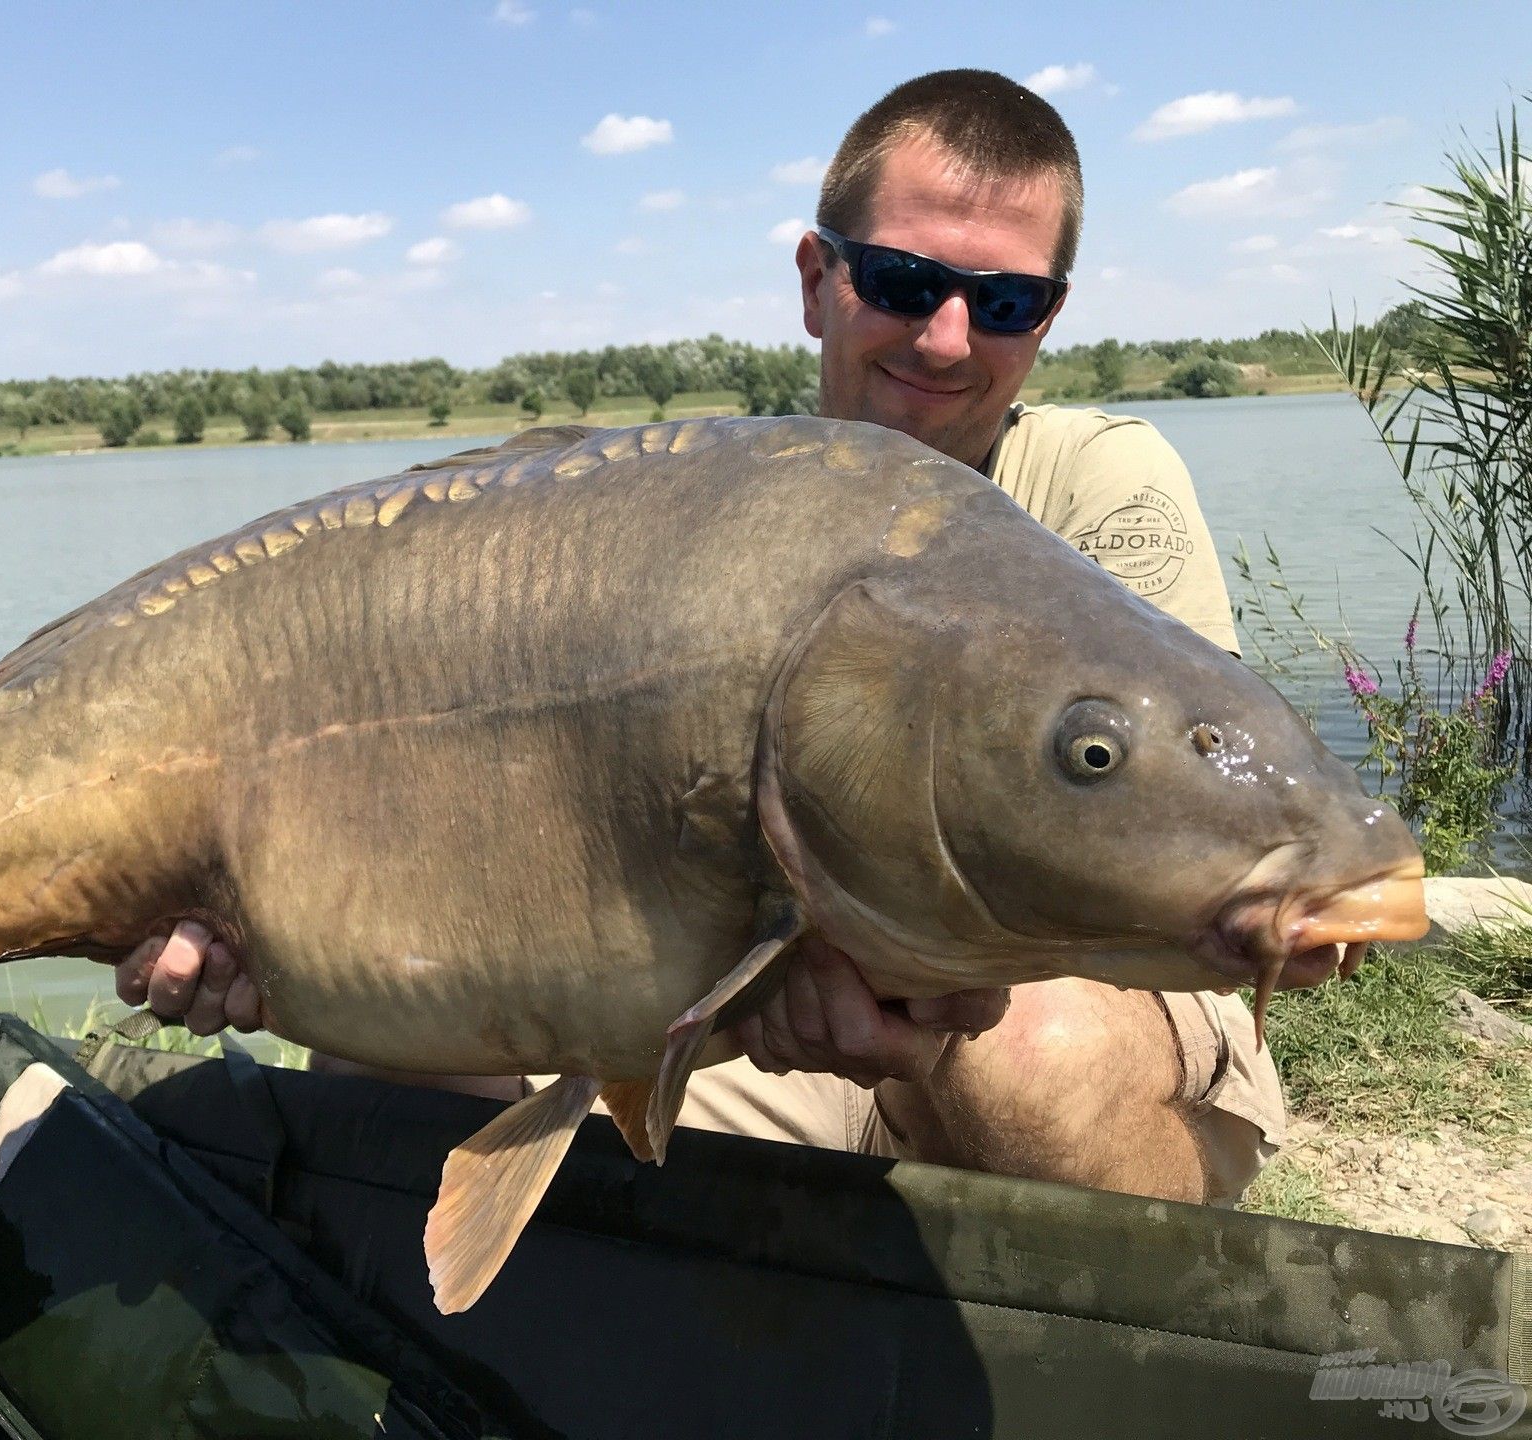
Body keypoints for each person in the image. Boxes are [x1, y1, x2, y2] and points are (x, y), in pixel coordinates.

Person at [114, 69, 1287, 1208]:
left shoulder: (1096, 479)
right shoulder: (685, 515)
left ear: (1050, 318)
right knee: (396, 1044)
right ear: (818, 278)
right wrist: (283, 929)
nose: (945, 336)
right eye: (899, 278)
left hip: (1034, 1001)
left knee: (1041, 1056)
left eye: (1005, 300)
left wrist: (914, 996)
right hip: (739, 1013)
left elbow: (1180, 828)